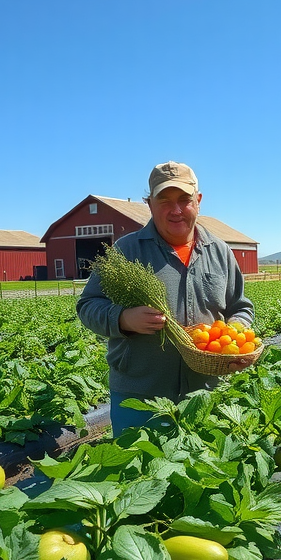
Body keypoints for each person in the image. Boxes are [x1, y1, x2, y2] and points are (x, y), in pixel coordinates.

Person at [77, 161, 255, 436]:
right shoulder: (126, 251)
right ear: (149, 203)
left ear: (198, 201)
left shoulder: (219, 252)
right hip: (139, 396)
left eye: (184, 200)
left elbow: (240, 307)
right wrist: (123, 319)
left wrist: (236, 334)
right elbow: (88, 306)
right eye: (164, 200)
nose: (175, 210)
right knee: (138, 473)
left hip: (205, 395)